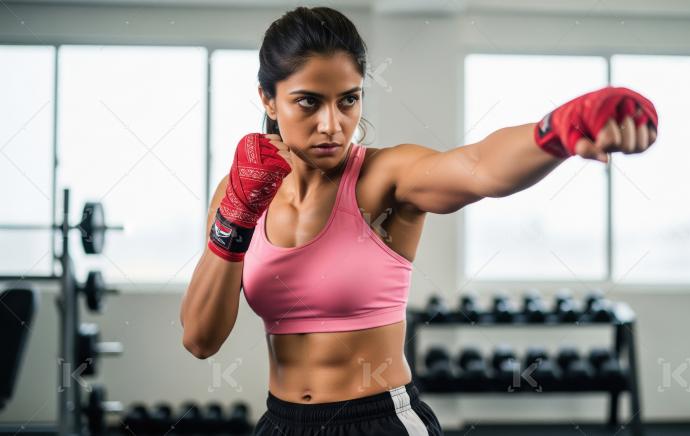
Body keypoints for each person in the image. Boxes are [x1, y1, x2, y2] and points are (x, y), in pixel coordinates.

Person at [180, 6, 658, 436]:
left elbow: (479, 168)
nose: (332, 124)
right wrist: (235, 219)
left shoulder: (383, 177)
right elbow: (200, 339)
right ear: (268, 99)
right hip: (281, 423)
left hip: (381, 421)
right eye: (308, 101)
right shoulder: (237, 192)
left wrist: (559, 128)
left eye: (348, 100)